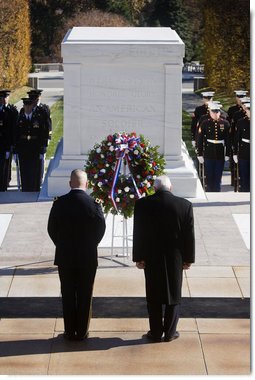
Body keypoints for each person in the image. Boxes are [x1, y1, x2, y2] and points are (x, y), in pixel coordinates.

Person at [132, 175, 195, 343]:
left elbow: (138, 234)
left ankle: (155, 332)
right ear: (171, 188)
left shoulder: (142, 205)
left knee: (153, 295)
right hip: (175, 258)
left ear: (155, 189)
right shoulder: (185, 205)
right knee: (173, 293)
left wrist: (138, 257)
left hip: (151, 257)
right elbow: (189, 236)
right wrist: (188, 258)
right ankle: (170, 332)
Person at [48, 169, 106, 341]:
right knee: (85, 294)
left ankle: (69, 331)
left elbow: (52, 229)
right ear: (86, 184)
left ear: (70, 183)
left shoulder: (59, 203)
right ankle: (82, 331)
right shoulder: (94, 204)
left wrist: (62, 245)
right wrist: (90, 245)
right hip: (87, 257)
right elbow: (101, 229)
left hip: (65, 256)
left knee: (67, 293)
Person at [14, 97, 51, 191]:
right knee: (24, 168)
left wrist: (42, 149)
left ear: (31, 106)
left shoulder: (38, 118)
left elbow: (43, 133)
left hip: (35, 147)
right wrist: (15, 150)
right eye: (25, 106)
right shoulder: (20, 118)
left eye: (28, 106)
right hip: (23, 148)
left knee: (34, 169)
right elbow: (15, 134)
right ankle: (25, 187)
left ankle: (34, 187)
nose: (26, 108)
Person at [197, 102, 231, 192]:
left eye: (217, 112)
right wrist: (199, 154)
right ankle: (209, 191)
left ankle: (217, 191)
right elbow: (200, 140)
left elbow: (228, 140)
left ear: (219, 112)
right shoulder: (205, 123)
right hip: (209, 152)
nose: (215, 114)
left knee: (218, 174)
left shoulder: (225, 123)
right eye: (213, 112)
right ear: (210, 112)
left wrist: (228, 153)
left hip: (220, 152)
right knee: (209, 174)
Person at [0, 89, 18, 191]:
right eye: (2, 98)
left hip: (7, 143)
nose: (3, 99)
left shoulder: (12, 111)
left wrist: (12, 144)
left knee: (5, 165)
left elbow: (13, 129)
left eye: (5, 97)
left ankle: (4, 183)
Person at [233, 103, 250, 192]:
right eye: (248, 110)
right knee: (244, 174)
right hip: (244, 151)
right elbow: (237, 139)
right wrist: (235, 153)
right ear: (245, 111)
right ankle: (244, 191)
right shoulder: (241, 122)